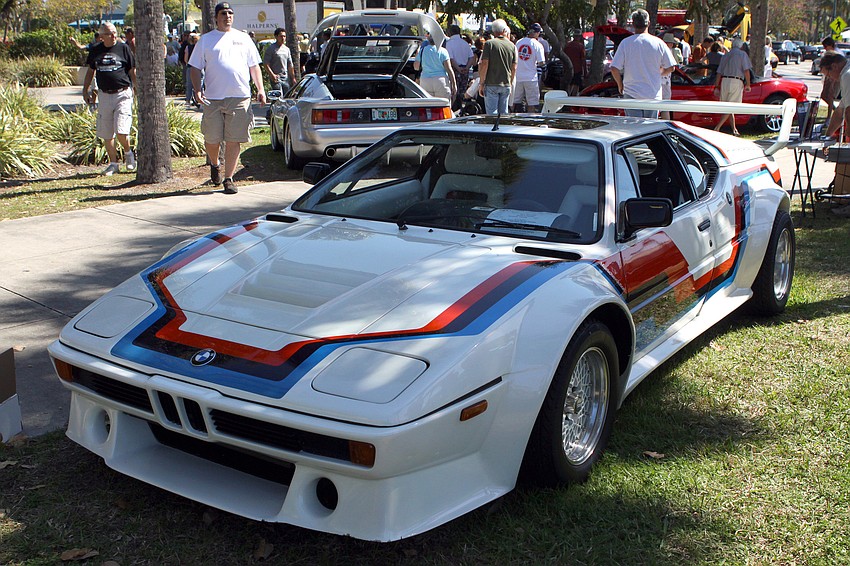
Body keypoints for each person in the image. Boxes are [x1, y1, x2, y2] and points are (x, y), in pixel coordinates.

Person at [189, 2, 266, 195]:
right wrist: (197, 90)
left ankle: (228, 178)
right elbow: (195, 68)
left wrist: (260, 89)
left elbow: (254, 66)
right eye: (223, 13)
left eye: (230, 13)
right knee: (212, 139)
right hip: (213, 98)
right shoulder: (206, 40)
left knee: (234, 140)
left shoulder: (244, 39)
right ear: (216, 17)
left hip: (239, 96)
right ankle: (215, 164)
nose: (227, 16)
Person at [82, 22, 136, 176]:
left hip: (123, 94)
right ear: (101, 36)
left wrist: (137, 88)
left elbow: (132, 70)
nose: (113, 36)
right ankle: (113, 164)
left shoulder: (123, 48)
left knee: (121, 130)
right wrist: (85, 89)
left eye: (114, 33)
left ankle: (128, 153)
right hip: (104, 95)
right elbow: (90, 71)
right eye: (109, 33)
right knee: (106, 133)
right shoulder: (95, 50)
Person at [610, 9, 677, 118]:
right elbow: (671, 67)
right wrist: (660, 73)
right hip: (652, 95)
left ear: (633, 24)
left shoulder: (625, 43)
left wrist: (620, 85)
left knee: (634, 130)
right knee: (649, 130)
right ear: (648, 23)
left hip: (631, 94)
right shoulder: (659, 43)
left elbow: (614, 68)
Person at [822, 50, 850, 216]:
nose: (832, 79)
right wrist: (827, 135)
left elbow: (849, 111)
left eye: (829, 74)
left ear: (834, 66)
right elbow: (839, 112)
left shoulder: (846, 75)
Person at [713, 38, 752, 135]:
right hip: (736, 80)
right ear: (741, 46)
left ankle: (734, 129)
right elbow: (746, 70)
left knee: (728, 105)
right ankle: (717, 127)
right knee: (732, 106)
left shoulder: (726, 55)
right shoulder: (743, 54)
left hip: (725, 81)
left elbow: (719, 72)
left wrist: (716, 86)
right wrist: (748, 84)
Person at [477, 19, 517, 115]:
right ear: (504, 30)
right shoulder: (512, 46)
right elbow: (514, 67)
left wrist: (481, 83)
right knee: (503, 113)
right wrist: (510, 83)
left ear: (493, 31)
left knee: (492, 114)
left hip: (491, 83)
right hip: (506, 83)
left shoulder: (489, 44)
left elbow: (484, 64)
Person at [414, 31, 456, 102]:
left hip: (425, 80)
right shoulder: (443, 51)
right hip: (441, 81)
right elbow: (449, 69)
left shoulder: (422, 51)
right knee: (443, 106)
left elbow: (416, 67)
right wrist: (454, 84)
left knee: (427, 106)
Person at [513, 23, 546, 112]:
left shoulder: (519, 42)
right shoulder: (538, 45)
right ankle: (530, 121)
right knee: (532, 103)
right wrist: (545, 70)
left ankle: (511, 119)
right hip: (531, 78)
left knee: (514, 102)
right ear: (536, 32)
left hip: (518, 76)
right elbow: (541, 62)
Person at [445, 24, 474, 110]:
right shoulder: (465, 43)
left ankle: (452, 109)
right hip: (465, 70)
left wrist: (458, 68)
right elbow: (471, 57)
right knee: (462, 92)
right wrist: (467, 67)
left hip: (454, 69)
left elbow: (450, 59)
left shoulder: (449, 43)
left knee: (454, 91)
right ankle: (461, 108)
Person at [263, 27, 296, 92]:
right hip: (276, 78)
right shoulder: (271, 49)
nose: (283, 38)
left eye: (284, 36)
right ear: (276, 37)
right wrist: (272, 75)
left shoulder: (287, 49)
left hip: (285, 78)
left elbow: (290, 65)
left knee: (285, 97)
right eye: (281, 36)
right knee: (278, 97)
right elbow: (266, 64)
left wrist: (293, 78)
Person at [563, 31, 586, 95]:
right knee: (576, 85)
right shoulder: (580, 46)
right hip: (577, 69)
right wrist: (585, 71)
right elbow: (583, 59)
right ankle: (573, 98)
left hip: (568, 68)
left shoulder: (567, 45)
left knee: (569, 84)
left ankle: (567, 97)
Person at [822, 36, 838, 122]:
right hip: (828, 77)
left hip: (834, 78)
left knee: (830, 96)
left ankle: (829, 118)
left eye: (825, 46)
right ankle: (836, 110)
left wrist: (833, 82)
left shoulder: (837, 54)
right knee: (823, 96)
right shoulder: (829, 53)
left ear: (831, 45)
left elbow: (837, 69)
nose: (825, 49)